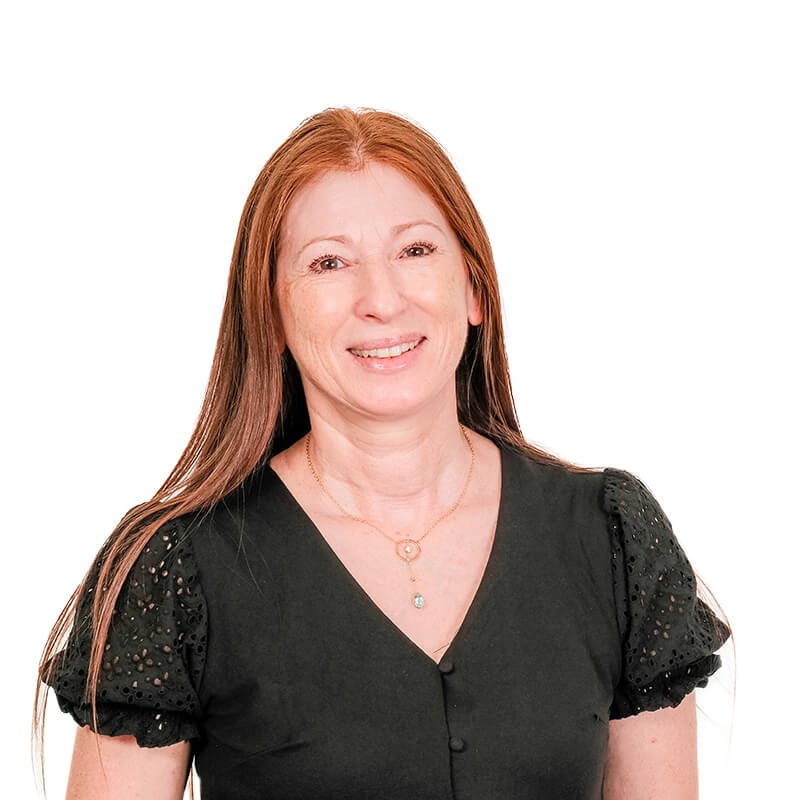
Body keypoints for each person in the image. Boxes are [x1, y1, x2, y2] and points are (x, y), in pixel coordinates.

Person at [35, 106, 731, 799]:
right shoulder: (174, 569)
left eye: (416, 251)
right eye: (329, 262)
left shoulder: (610, 537)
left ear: (474, 289)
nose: (382, 299)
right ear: (272, 315)